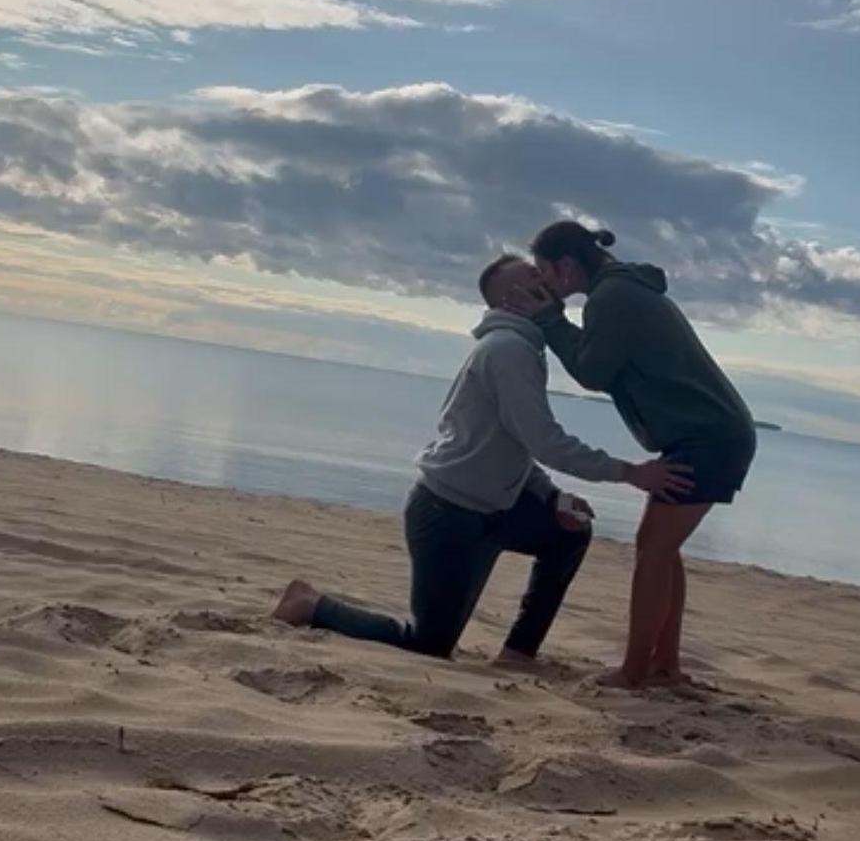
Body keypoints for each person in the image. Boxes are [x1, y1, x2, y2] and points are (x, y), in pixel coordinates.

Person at [273, 254, 693, 664]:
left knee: (569, 533)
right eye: (532, 274)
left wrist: (553, 497)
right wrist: (631, 473)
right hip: (448, 514)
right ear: (512, 298)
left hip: (496, 510)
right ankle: (311, 605)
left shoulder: (523, 348)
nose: (544, 276)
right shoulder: (508, 350)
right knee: (427, 645)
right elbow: (546, 441)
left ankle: (518, 654)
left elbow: (515, 446)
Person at [514, 221, 756, 690]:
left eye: (544, 271)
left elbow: (593, 372)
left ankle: (634, 672)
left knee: (653, 551)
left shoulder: (612, 298)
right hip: (711, 434)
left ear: (566, 267)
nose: (542, 282)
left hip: (709, 438)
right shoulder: (624, 287)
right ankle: (664, 664)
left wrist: (549, 320)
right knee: (663, 551)